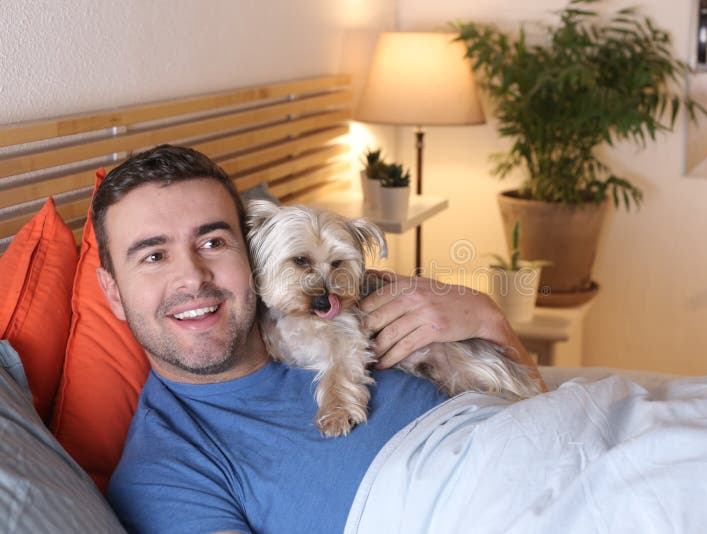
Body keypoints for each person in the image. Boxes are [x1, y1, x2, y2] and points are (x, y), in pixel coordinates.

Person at [96, 144, 543, 533]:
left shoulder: (363, 307)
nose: (192, 277)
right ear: (113, 293)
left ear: (248, 251)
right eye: (154, 256)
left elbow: (534, 404)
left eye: (212, 243)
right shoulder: (164, 470)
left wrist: (491, 323)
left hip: (544, 451)